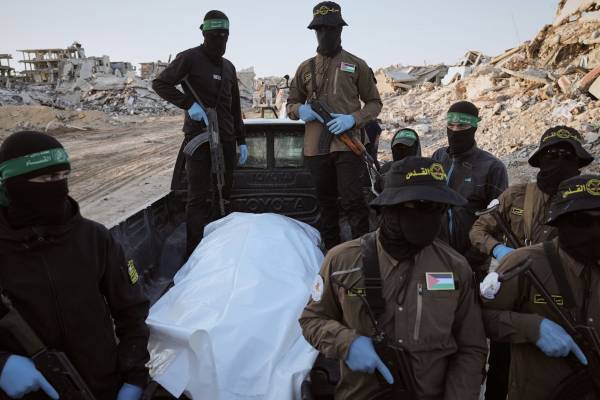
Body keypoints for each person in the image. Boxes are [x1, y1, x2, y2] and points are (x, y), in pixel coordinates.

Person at [300, 157, 487, 399]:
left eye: (440, 207)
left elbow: (471, 347)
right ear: (389, 207)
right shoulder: (342, 262)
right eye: (421, 205)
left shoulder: (455, 268)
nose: (431, 216)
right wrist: (347, 343)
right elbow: (312, 319)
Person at [0, 131, 149, 400]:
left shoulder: (95, 238)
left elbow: (132, 312)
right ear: (13, 184)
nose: (58, 186)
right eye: (46, 178)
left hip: (103, 389)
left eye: (63, 176)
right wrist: (2, 364)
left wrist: (134, 379)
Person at [470, 126, 594, 400]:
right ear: (540, 159)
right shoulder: (517, 195)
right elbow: (479, 229)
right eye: (552, 154)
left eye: (567, 156)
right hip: (515, 289)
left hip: (563, 297)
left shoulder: (587, 202)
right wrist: (498, 249)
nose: (559, 161)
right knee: (502, 371)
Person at [286, 1, 382, 250]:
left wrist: (353, 119)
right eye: (320, 29)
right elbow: (291, 104)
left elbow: (374, 103)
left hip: (348, 145)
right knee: (326, 205)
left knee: (353, 202)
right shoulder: (305, 69)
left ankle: (361, 253)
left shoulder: (357, 64)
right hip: (315, 150)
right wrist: (300, 110)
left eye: (330, 29)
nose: (325, 34)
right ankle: (330, 254)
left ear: (340, 30)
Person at [152, 10, 248, 256]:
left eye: (224, 36)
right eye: (215, 36)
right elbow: (160, 83)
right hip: (198, 137)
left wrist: (241, 140)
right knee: (198, 197)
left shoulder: (229, 68)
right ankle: (194, 253)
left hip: (226, 137)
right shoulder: (189, 58)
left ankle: (222, 248)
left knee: (224, 194)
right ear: (204, 35)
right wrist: (188, 104)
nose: (220, 41)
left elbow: (235, 108)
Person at [432, 100, 508, 272]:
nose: (455, 131)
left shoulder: (492, 167)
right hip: (438, 257)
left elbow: (498, 219)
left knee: (470, 290)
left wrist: (474, 258)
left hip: (473, 262)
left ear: (474, 128)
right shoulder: (438, 157)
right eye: (451, 125)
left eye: (462, 126)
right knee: (439, 290)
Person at [374, 128, 421, 193]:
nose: (402, 151)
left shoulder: (425, 169)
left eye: (406, 148)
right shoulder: (386, 169)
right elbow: (377, 191)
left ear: (416, 148)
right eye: (397, 147)